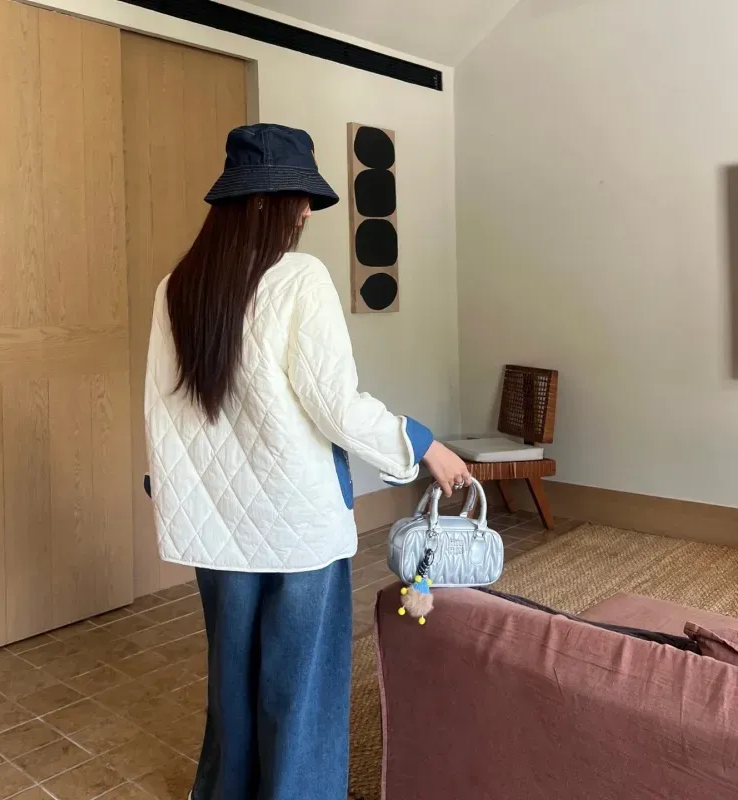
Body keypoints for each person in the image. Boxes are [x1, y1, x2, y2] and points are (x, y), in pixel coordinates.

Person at [144, 123, 471, 800]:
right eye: (302, 200)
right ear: (272, 201)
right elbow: (336, 405)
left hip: (215, 526)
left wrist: (176, 496)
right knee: (299, 690)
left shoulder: (177, 286)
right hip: (296, 525)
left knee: (232, 682)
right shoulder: (300, 278)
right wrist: (422, 443)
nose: (305, 215)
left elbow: (164, 411)